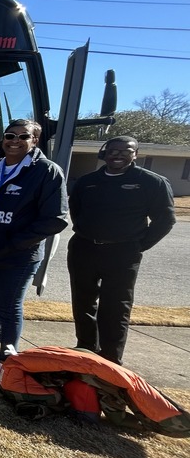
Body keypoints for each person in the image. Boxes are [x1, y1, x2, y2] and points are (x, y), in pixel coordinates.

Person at [0, 119, 68, 386]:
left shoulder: (47, 171)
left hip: (17, 255)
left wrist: (15, 242)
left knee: (10, 307)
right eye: (9, 136)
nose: (14, 141)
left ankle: (7, 365)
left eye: (22, 136)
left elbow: (55, 218)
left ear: (35, 140)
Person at [67, 135, 176, 364]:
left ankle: (110, 359)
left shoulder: (151, 182)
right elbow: (76, 211)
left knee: (115, 307)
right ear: (105, 153)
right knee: (83, 302)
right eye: (113, 150)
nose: (118, 154)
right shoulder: (88, 182)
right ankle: (86, 349)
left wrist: (138, 245)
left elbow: (165, 219)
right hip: (84, 249)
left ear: (135, 154)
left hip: (123, 254)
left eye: (126, 150)